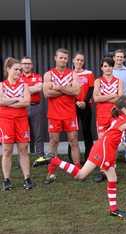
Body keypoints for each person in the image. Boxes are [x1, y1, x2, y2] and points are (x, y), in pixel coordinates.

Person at [33, 95, 126, 218]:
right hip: (105, 150)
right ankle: (114, 209)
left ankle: (54, 159)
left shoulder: (120, 118)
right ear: (124, 109)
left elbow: (115, 136)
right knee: (111, 178)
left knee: (81, 176)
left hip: (101, 146)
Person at [36, 48, 81, 184]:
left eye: (65, 58)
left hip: (70, 113)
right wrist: (67, 89)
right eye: (60, 57)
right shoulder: (48, 74)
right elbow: (47, 94)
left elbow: (76, 91)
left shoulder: (73, 73)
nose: (63, 60)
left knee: (73, 141)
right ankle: (51, 172)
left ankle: (78, 170)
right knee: (53, 142)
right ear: (55, 58)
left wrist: (58, 87)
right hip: (54, 114)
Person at [0, 57, 33, 190]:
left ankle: (27, 178)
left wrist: (9, 101)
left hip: (21, 120)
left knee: (23, 149)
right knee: (7, 150)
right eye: (16, 69)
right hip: (6, 120)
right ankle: (7, 180)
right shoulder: (1, 85)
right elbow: (0, 101)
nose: (19, 72)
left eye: (20, 69)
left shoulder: (24, 85)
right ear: (8, 69)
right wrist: (17, 99)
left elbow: (26, 102)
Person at [93, 57, 123, 182]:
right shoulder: (98, 81)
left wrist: (103, 97)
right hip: (101, 116)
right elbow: (96, 99)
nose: (108, 68)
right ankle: (103, 170)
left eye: (110, 66)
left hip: (114, 115)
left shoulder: (118, 81)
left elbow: (120, 98)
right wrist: (112, 96)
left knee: (113, 144)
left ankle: (112, 170)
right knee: (102, 144)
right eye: (105, 66)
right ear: (101, 68)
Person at [67, 52, 94, 163]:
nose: (79, 62)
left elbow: (91, 89)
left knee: (87, 131)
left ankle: (89, 157)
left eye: (81, 60)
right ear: (73, 60)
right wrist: (75, 102)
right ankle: (73, 158)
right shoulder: (68, 74)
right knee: (72, 132)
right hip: (71, 106)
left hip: (85, 106)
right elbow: (67, 89)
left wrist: (84, 101)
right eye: (77, 60)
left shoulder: (89, 73)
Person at [20, 56, 45, 159]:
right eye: (24, 63)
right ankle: (23, 157)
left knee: (38, 133)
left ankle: (40, 156)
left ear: (32, 65)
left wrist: (22, 89)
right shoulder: (17, 77)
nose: (27, 65)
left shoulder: (37, 76)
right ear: (21, 65)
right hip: (22, 108)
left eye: (29, 63)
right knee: (22, 134)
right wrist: (31, 88)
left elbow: (39, 87)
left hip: (36, 107)